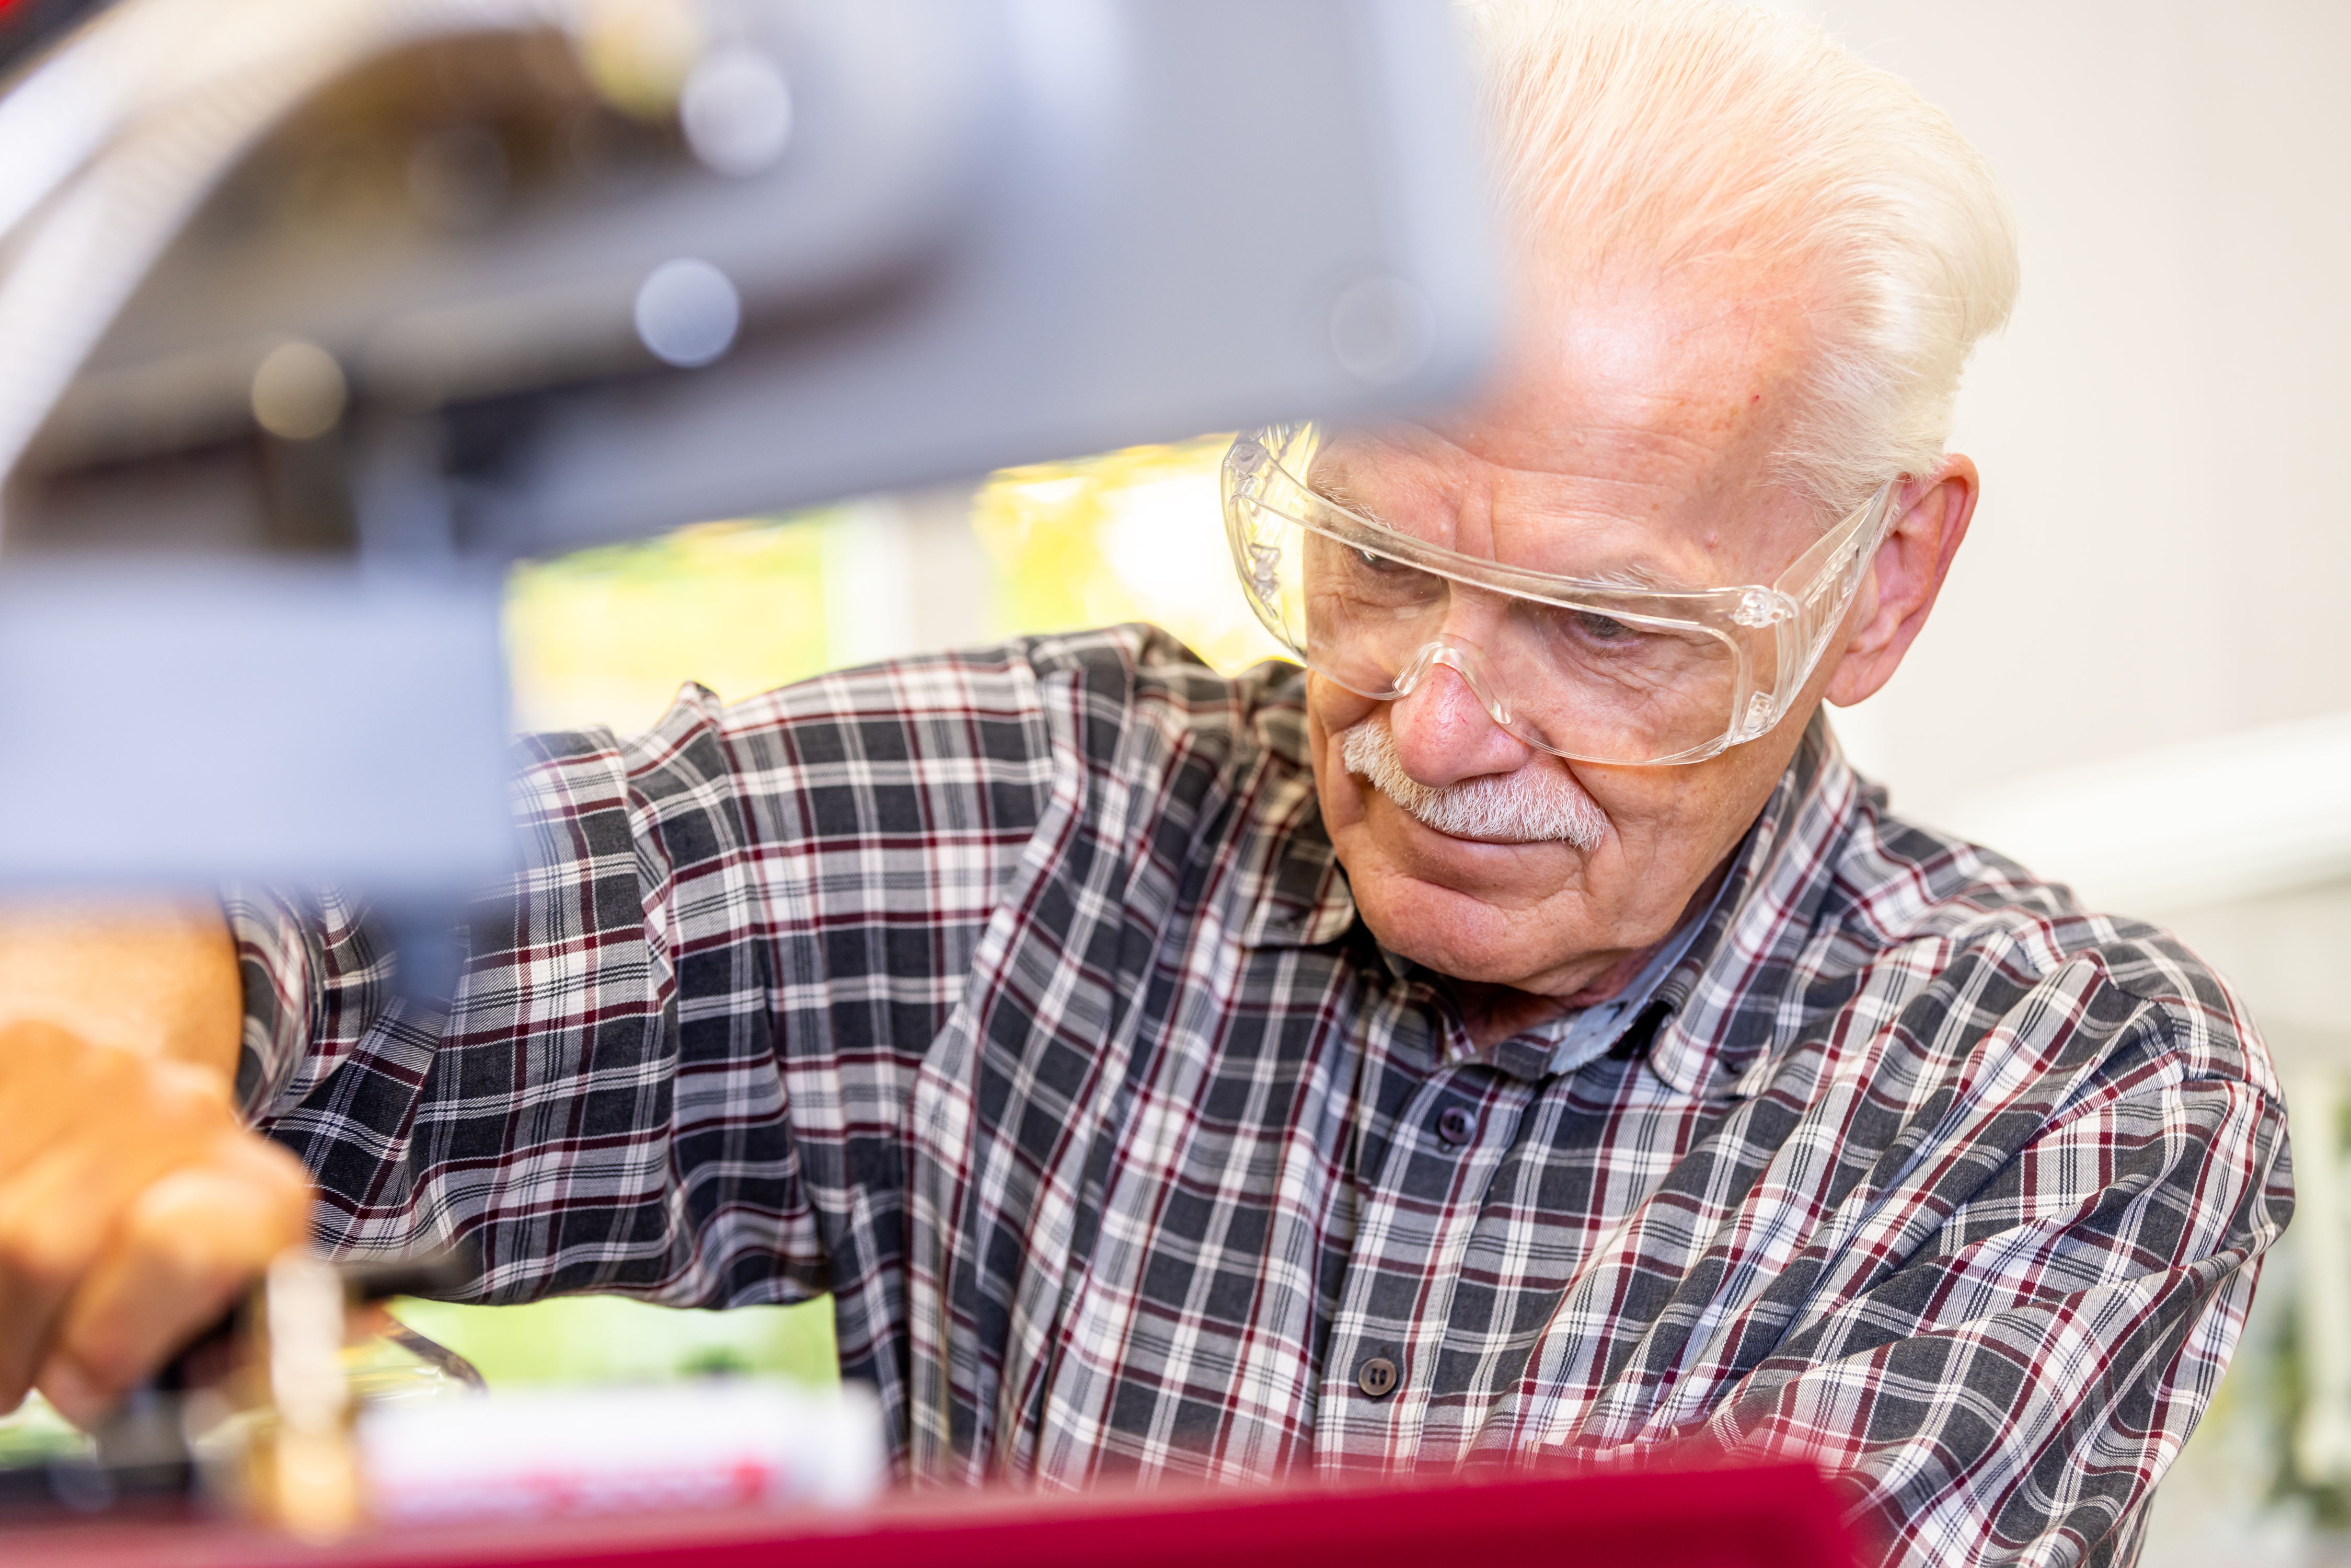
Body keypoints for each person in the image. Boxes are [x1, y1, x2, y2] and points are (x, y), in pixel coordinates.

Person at [0, 2, 2291, 1562]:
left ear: (1881, 580)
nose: (1433, 728)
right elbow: (272, 915)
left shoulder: (2067, 1098)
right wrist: (82, 1063)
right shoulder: (1056, 823)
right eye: (1376, 563)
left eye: (1600, 628)